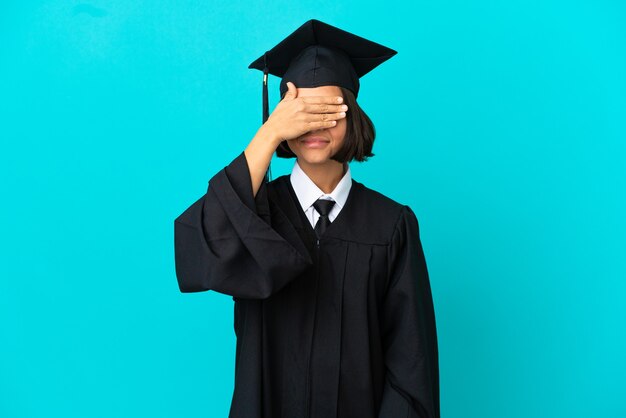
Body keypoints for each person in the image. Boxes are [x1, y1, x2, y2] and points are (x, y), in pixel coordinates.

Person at [174, 19, 440, 418]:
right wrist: (267, 136)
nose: (313, 125)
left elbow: (410, 362)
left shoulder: (391, 225)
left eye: (328, 110)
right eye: (299, 111)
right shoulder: (253, 212)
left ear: (353, 116)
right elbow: (199, 247)